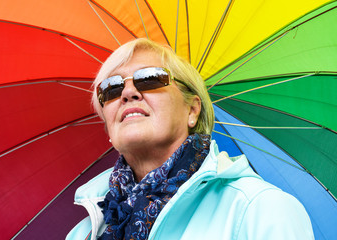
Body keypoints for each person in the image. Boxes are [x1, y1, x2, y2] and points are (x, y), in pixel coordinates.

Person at [66, 38, 314, 240]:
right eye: (111, 87)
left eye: (150, 77)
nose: (128, 92)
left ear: (192, 110)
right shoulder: (84, 232)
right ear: (107, 123)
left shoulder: (260, 209)